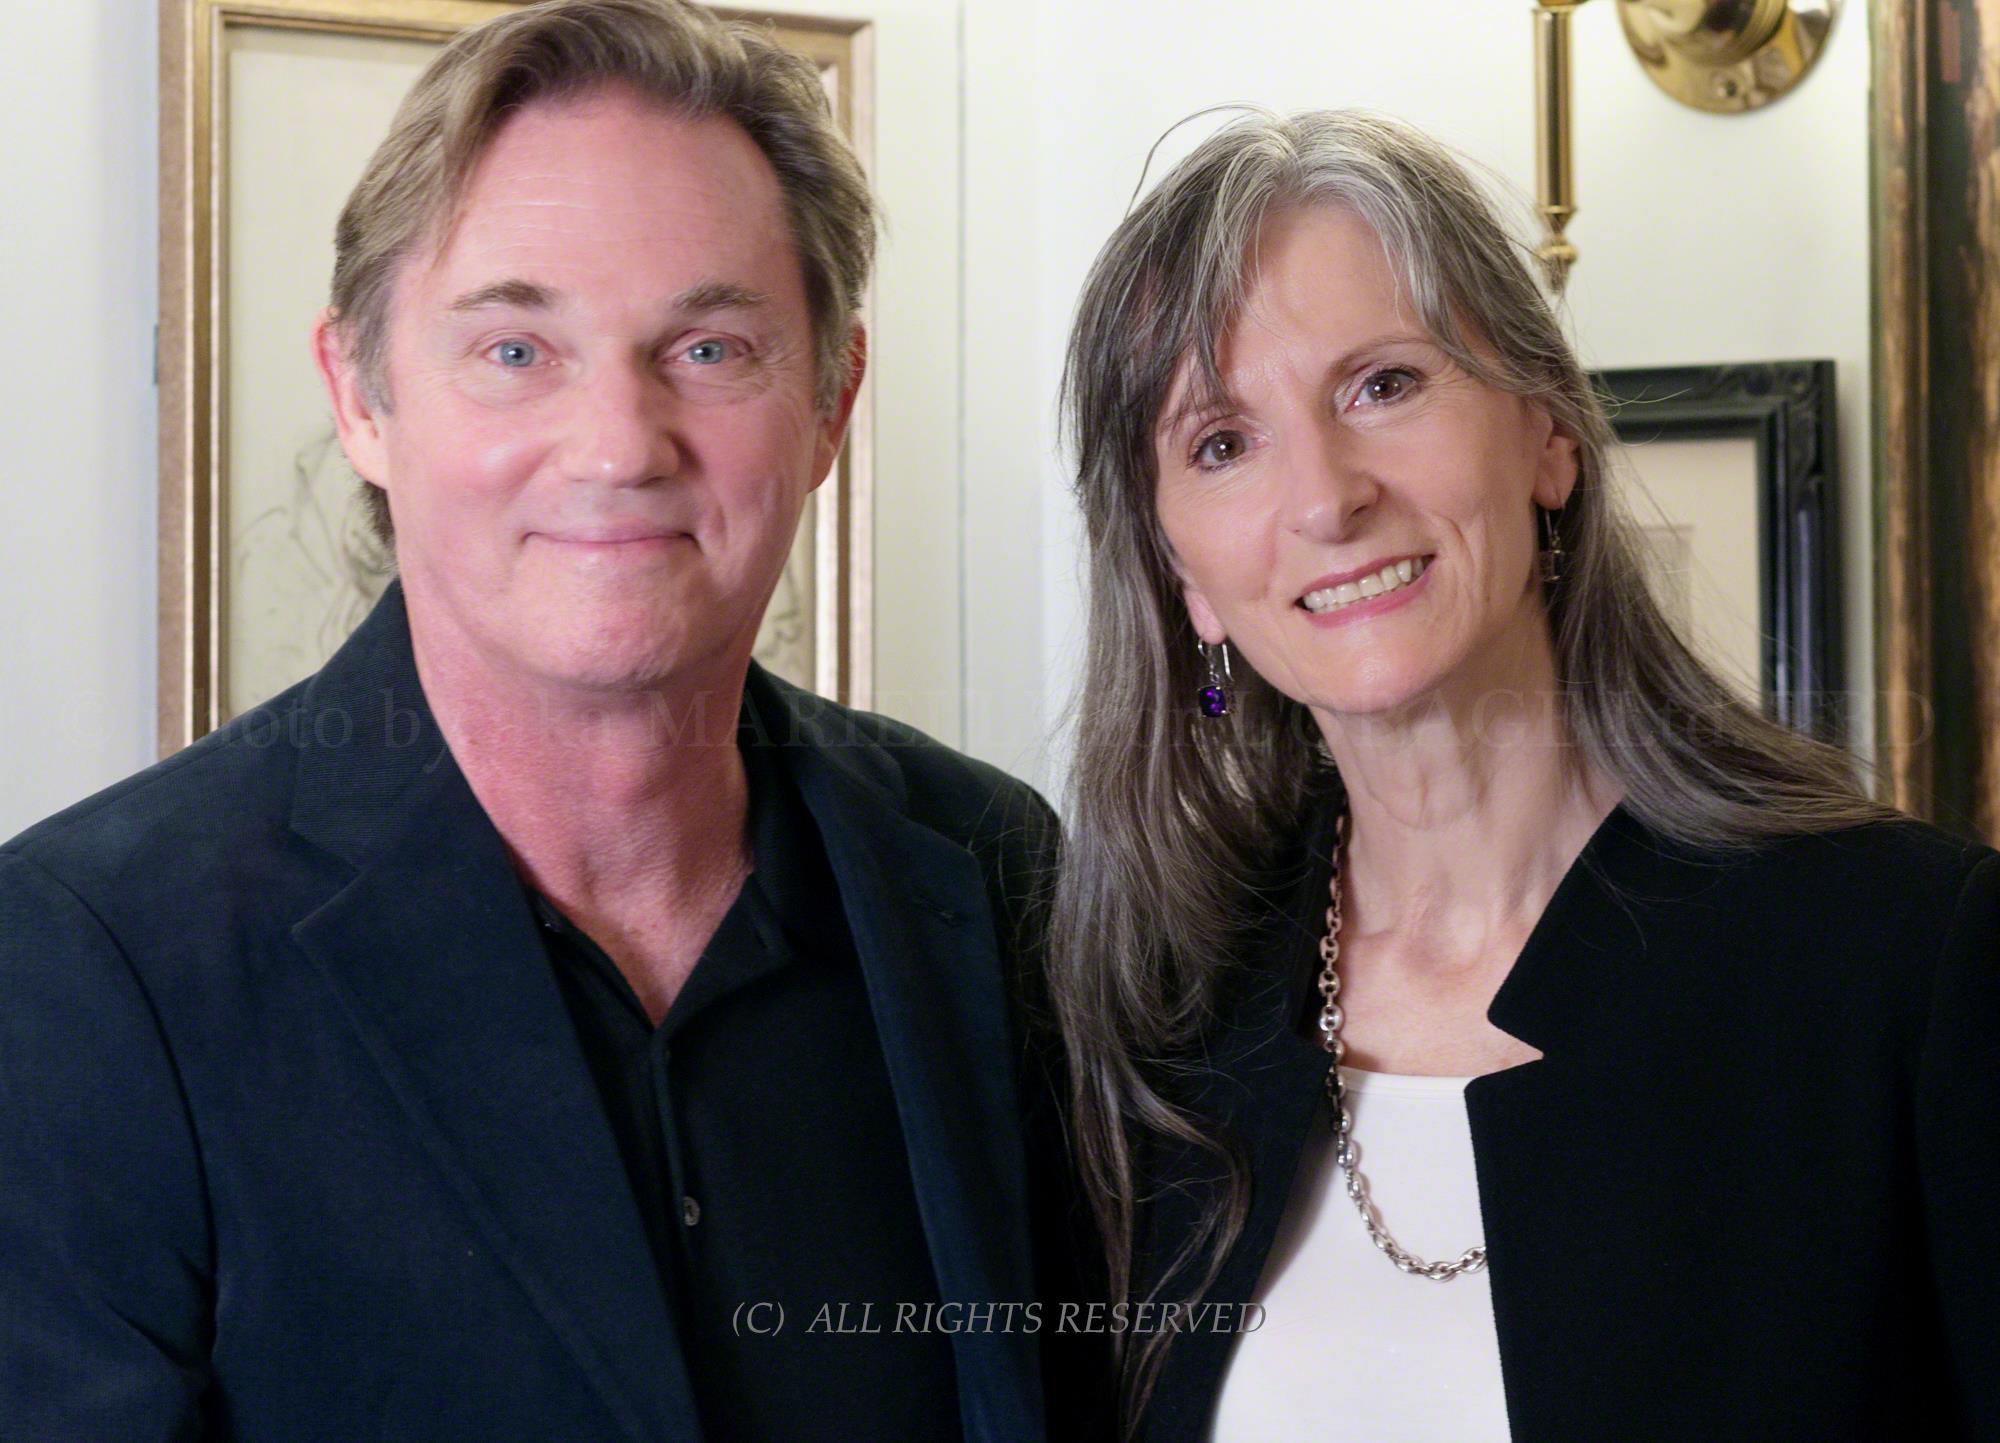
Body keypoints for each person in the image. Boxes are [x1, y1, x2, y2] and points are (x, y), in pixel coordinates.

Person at [0, 3, 1091, 1439]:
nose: (619, 446)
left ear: (834, 402)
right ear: (361, 396)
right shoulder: (92, 965)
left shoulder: (989, 871)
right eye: (515, 351)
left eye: (707, 348)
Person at [1049, 108, 2000, 1442]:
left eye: (1384, 384)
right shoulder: (1159, 1026)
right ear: (1180, 576)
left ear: (1545, 433)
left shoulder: (1903, 957)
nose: (1326, 496)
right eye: (1222, 442)